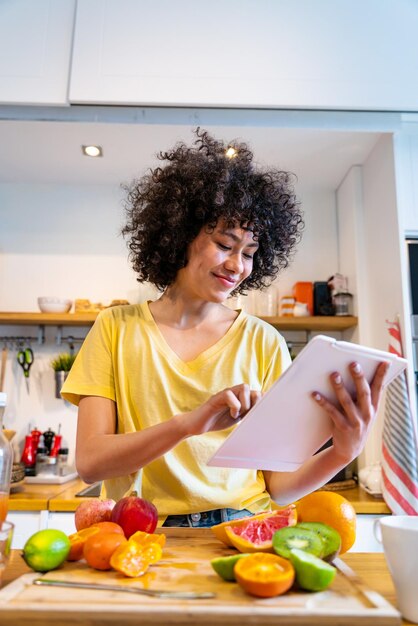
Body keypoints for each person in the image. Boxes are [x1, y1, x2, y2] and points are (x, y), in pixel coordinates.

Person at [61, 129, 389, 527]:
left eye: (249, 253)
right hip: (144, 526)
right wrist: (190, 424)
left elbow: (278, 485)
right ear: (180, 235)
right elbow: (91, 464)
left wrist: (342, 451)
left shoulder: (263, 341)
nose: (237, 266)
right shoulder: (115, 328)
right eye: (224, 244)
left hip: (243, 524)